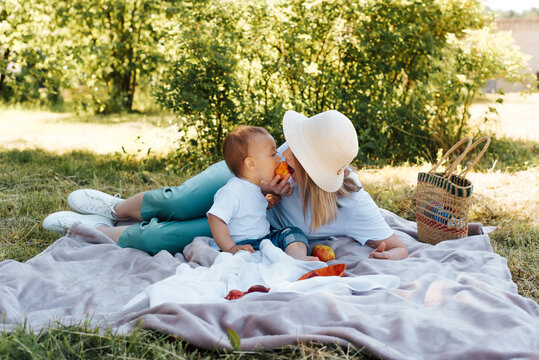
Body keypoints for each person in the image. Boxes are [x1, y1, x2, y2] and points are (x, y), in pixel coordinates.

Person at [43, 110, 409, 260]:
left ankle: (98, 231)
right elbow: (255, 165)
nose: (287, 152)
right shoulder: (285, 154)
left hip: (253, 222)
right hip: (244, 177)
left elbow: (397, 245)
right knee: (181, 200)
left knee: (161, 239)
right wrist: (266, 187)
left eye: (299, 154)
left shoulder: (353, 203)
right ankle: (115, 208)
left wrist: (384, 254)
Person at [206, 125, 317, 261]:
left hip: (265, 240)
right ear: (251, 164)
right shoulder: (232, 191)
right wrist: (230, 247)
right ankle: (291, 259)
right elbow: (214, 218)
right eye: (272, 154)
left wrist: (267, 203)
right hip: (243, 244)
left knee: (293, 232)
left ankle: (297, 257)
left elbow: (250, 211)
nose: (279, 158)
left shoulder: (257, 188)